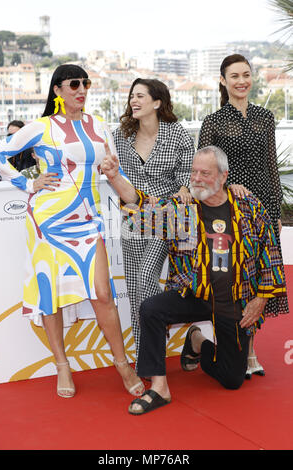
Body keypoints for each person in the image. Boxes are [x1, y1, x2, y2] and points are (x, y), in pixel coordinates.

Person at [0, 64, 144, 399]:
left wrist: (112, 168)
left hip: (88, 221)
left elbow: (111, 164)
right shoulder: (42, 127)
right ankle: (62, 364)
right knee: (52, 297)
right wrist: (28, 183)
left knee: (103, 294)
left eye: (86, 83)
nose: (81, 89)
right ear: (57, 90)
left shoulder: (98, 126)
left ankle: (122, 363)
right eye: (74, 84)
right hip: (48, 222)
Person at [104, 145, 287, 415]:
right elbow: (141, 208)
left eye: (205, 173)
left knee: (233, 379)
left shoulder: (249, 205)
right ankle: (159, 387)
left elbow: (271, 254)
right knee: (151, 309)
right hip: (194, 293)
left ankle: (197, 341)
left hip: (232, 300)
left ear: (224, 177)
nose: (197, 178)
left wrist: (260, 298)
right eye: (193, 172)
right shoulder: (183, 208)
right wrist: (115, 177)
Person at [197, 54, 289, 378]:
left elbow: (271, 167)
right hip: (231, 210)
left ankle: (251, 350)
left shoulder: (265, 117)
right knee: (240, 277)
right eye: (234, 76)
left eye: (246, 75)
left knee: (263, 276)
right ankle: (234, 345)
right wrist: (228, 180)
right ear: (223, 81)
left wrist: (275, 210)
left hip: (263, 206)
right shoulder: (213, 122)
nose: (241, 81)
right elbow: (205, 171)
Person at [113, 78, 194, 362]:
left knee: (147, 278)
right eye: (132, 96)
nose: (134, 101)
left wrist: (184, 187)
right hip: (134, 217)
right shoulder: (120, 136)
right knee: (135, 288)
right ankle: (145, 356)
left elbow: (188, 173)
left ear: (157, 102)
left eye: (140, 96)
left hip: (169, 215)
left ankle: (162, 332)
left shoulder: (177, 134)